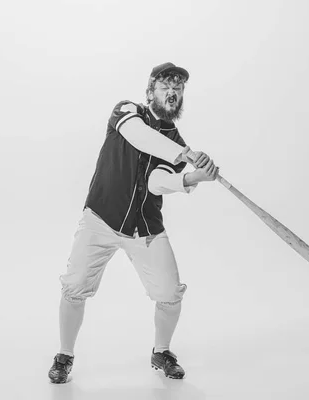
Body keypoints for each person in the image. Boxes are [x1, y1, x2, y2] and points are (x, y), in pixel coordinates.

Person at [48, 62, 219, 383]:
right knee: (74, 287)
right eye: (166, 86)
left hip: (146, 228)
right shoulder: (127, 111)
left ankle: (162, 351)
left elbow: (156, 182)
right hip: (100, 217)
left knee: (170, 292)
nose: (173, 93)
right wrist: (187, 155)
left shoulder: (174, 138)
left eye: (179, 89)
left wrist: (197, 175)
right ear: (150, 90)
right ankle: (64, 355)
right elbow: (141, 138)